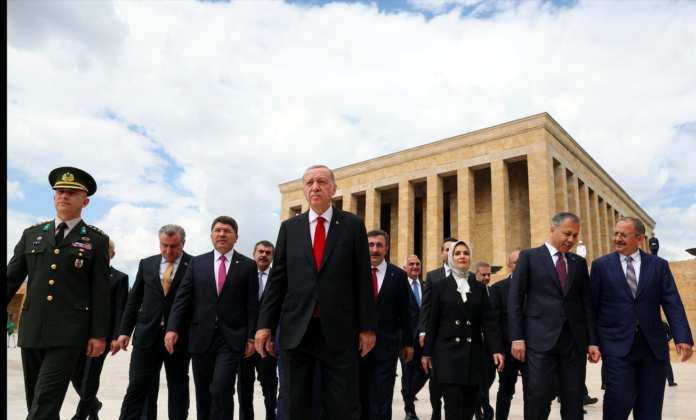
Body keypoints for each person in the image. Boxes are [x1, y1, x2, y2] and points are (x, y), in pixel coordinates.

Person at [255, 165, 377, 420]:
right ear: (303, 190)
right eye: (309, 182)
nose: (315, 187)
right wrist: (264, 325)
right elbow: (278, 281)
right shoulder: (290, 228)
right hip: (297, 329)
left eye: (322, 181)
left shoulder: (353, 225)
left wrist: (367, 327)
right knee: (293, 403)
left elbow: (363, 280)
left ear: (334, 188)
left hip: (340, 329)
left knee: (343, 405)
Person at [7, 167, 110, 420]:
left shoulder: (96, 241)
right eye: (60, 191)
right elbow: (11, 279)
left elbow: (100, 290)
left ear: (84, 201)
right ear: (54, 198)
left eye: (72, 192)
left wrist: (98, 334)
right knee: (37, 399)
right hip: (32, 328)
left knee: (46, 397)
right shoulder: (32, 234)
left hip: (69, 331)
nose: (64, 195)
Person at [590, 217, 693, 420]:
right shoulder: (600, 265)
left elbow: (672, 302)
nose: (617, 239)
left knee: (650, 403)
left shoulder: (659, 265)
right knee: (618, 398)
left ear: (640, 239)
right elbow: (592, 307)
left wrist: (683, 337)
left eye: (624, 235)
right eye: (616, 234)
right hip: (615, 344)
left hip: (652, 344)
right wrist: (592, 342)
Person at [508, 212, 600, 420]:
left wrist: (593, 342)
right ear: (552, 230)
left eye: (575, 235)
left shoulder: (578, 262)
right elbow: (515, 300)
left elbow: (587, 305)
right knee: (539, 395)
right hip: (539, 340)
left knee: (574, 398)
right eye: (567, 233)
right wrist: (517, 337)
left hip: (573, 341)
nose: (571, 240)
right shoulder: (530, 257)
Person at [166, 216, 259, 420]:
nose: (222, 234)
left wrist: (251, 337)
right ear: (211, 236)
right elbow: (182, 299)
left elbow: (252, 306)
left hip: (232, 337)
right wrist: (172, 328)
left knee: (220, 388)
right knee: (204, 393)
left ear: (236, 237)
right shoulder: (197, 263)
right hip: (201, 337)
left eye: (227, 231)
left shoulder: (248, 266)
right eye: (218, 230)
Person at [117, 225, 193, 420]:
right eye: (164, 245)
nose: (168, 251)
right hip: (146, 336)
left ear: (183, 243)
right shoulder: (147, 264)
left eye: (174, 246)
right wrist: (125, 331)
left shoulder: (194, 265)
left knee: (178, 390)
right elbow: (134, 300)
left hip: (178, 339)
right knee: (137, 388)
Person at [422, 240, 504, 420]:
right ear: (450, 257)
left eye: (465, 253)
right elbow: (432, 322)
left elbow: (488, 322)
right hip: (448, 356)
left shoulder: (480, 287)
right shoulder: (440, 286)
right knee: (453, 411)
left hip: (473, 356)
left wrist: (497, 349)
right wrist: (427, 353)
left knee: (468, 411)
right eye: (457, 253)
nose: (462, 256)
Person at [70, 239, 129, 420]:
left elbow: (120, 309)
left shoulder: (120, 278)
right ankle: (93, 404)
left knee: (90, 376)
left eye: (106, 251)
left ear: (112, 255)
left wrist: (116, 337)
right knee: (74, 375)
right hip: (79, 334)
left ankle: (80, 416)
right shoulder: (82, 274)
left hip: (102, 336)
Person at [359, 230, 413, 420]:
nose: (374, 249)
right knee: (359, 399)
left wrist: (407, 343)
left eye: (379, 245)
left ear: (386, 249)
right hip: (357, 348)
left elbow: (405, 312)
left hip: (386, 349)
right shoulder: (354, 272)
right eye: (371, 245)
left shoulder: (398, 275)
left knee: (382, 400)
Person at [238, 241, 279, 420]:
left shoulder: (278, 279)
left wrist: (275, 337)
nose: (264, 255)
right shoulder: (242, 277)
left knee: (268, 382)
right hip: (245, 341)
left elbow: (281, 310)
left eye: (268, 252)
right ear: (254, 254)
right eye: (260, 251)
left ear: (272, 257)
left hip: (268, 344)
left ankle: (271, 414)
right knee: (244, 384)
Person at [418, 237, 458, 420]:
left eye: (454, 249)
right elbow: (425, 306)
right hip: (438, 334)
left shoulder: (469, 276)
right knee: (435, 378)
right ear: (442, 253)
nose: (450, 253)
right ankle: (436, 410)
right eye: (447, 250)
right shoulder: (433, 276)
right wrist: (423, 331)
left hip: (460, 335)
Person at [488, 251, 529, 420]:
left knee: (532, 391)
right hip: (508, 349)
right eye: (517, 262)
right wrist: (498, 350)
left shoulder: (536, 286)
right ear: (509, 266)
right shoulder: (498, 288)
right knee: (505, 389)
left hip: (532, 350)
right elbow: (494, 322)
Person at [400, 255, 427, 420]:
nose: (415, 266)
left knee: (427, 370)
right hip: (406, 338)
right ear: (405, 268)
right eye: (411, 264)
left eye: (417, 264)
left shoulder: (426, 285)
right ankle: (409, 409)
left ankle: (407, 393)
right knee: (408, 374)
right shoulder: (400, 286)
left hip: (424, 338)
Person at [473, 262, 494, 420]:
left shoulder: (493, 292)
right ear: (476, 276)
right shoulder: (470, 292)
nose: (486, 278)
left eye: (488, 275)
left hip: (491, 344)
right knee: (482, 379)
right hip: (476, 344)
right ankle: (486, 411)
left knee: (491, 376)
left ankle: (478, 405)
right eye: (483, 275)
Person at [663, 321, 677, 387]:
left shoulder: (664, 324)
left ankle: (670, 381)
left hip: (664, 347)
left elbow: (671, 334)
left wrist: (666, 340)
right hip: (651, 347)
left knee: (667, 363)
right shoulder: (648, 323)